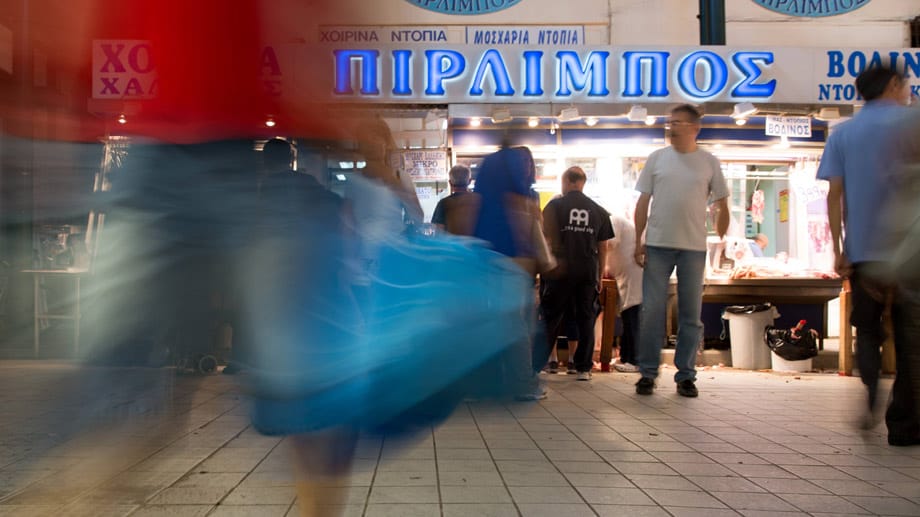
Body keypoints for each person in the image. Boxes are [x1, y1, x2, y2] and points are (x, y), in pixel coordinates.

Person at [817, 65, 913, 440]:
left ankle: (872, 391)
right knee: (910, 337)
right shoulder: (911, 124)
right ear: (893, 84)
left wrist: (840, 249)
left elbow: (835, 195)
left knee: (868, 332)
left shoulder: (843, 134)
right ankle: (904, 420)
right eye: (904, 84)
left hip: (864, 253)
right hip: (910, 251)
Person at [633, 104, 730, 397]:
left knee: (690, 315)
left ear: (694, 127)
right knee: (651, 311)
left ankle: (686, 375)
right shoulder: (657, 159)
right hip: (658, 244)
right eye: (669, 122)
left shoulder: (709, 162)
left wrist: (722, 230)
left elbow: (722, 204)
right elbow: (642, 203)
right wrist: (639, 239)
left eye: (677, 122)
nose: (671, 127)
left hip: (693, 248)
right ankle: (648, 373)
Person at [541, 166, 614, 381]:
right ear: (583, 182)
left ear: (566, 182)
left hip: (559, 270)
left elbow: (545, 241)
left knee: (551, 318)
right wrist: (599, 275)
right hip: (586, 270)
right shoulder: (598, 210)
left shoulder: (554, 206)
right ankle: (583, 368)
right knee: (585, 319)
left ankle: (540, 363)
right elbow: (603, 246)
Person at [606, 211, 643, 373]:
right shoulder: (618, 221)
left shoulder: (613, 220)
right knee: (629, 316)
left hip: (632, 274)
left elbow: (609, 244)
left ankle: (634, 360)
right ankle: (627, 358)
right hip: (627, 275)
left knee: (632, 317)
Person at [431, 164, 478, 236]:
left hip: (451, 246)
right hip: (475, 246)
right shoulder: (477, 201)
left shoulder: (443, 203)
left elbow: (438, 233)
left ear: (450, 183)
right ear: (469, 181)